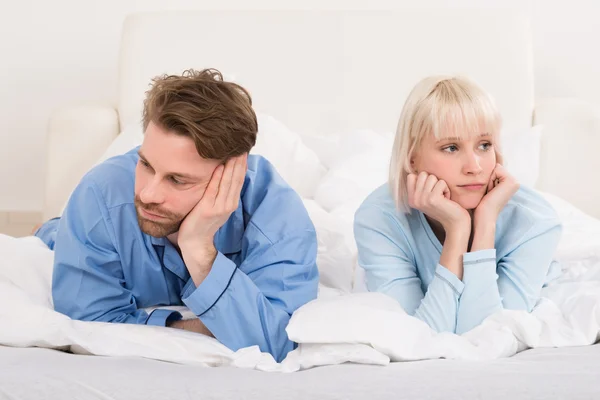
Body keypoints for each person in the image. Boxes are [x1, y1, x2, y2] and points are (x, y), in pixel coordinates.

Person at [34, 68, 319, 362]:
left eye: (177, 180)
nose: (148, 194)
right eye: (145, 164)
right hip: (86, 223)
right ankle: (52, 230)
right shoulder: (99, 192)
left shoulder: (278, 214)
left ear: (230, 174)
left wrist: (199, 249)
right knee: (58, 235)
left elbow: (278, 341)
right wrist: (211, 325)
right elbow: (86, 324)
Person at [353, 76, 562, 334]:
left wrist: (484, 224)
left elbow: (485, 335)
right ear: (412, 159)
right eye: (451, 148)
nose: (474, 167)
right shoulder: (379, 218)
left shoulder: (535, 222)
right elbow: (421, 338)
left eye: (484, 145)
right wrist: (458, 229)